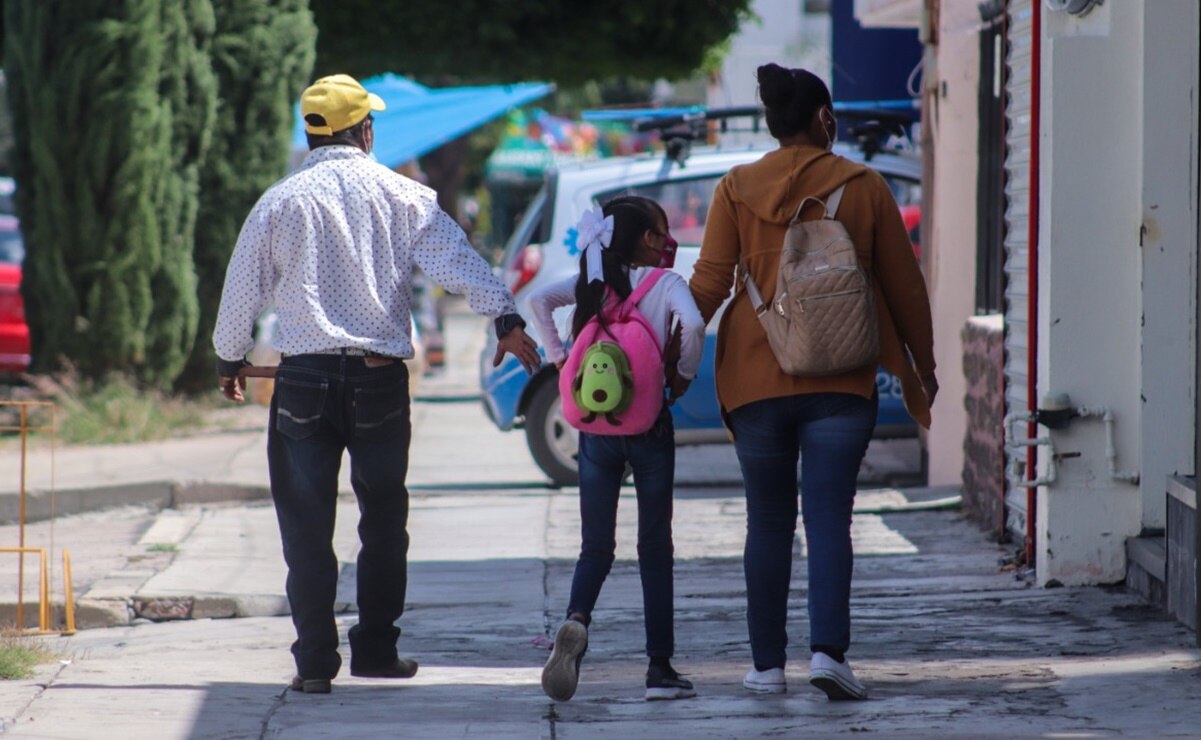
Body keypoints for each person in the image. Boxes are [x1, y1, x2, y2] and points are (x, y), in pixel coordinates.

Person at [212, 74, 540, 695]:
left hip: (302, 381)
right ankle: (376, 652)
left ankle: (314, 662)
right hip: (378, 383)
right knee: (383, 521)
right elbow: (460, 263)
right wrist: (505, 317)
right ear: (364, 130)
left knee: (306, 524)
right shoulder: (403, 194)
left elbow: (240, 298)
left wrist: (229, 361)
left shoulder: (279, 202)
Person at [687, 63, 938, 700]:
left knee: (767, 521)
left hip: (753, 377)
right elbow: (905, 287)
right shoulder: (863, 184)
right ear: (824, 120)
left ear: (774, 123)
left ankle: (766, 666)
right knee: (829, 519)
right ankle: (829, 655)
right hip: (842, 373)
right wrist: (922, 368)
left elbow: (709, 287)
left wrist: (661, 351)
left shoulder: (735, 188)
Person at [530, 196, 705, 702]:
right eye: (661, 230)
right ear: (646, 239)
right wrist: (684, 375)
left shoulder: (590, 281)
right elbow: (692, 327)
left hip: (597, 431)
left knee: (595, 547)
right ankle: (659, 669)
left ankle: (576, 622)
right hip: (649, 425)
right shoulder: (666, 283)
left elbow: (540, 301)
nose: (666, 240)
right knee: (654, 547)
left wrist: (562, 361)